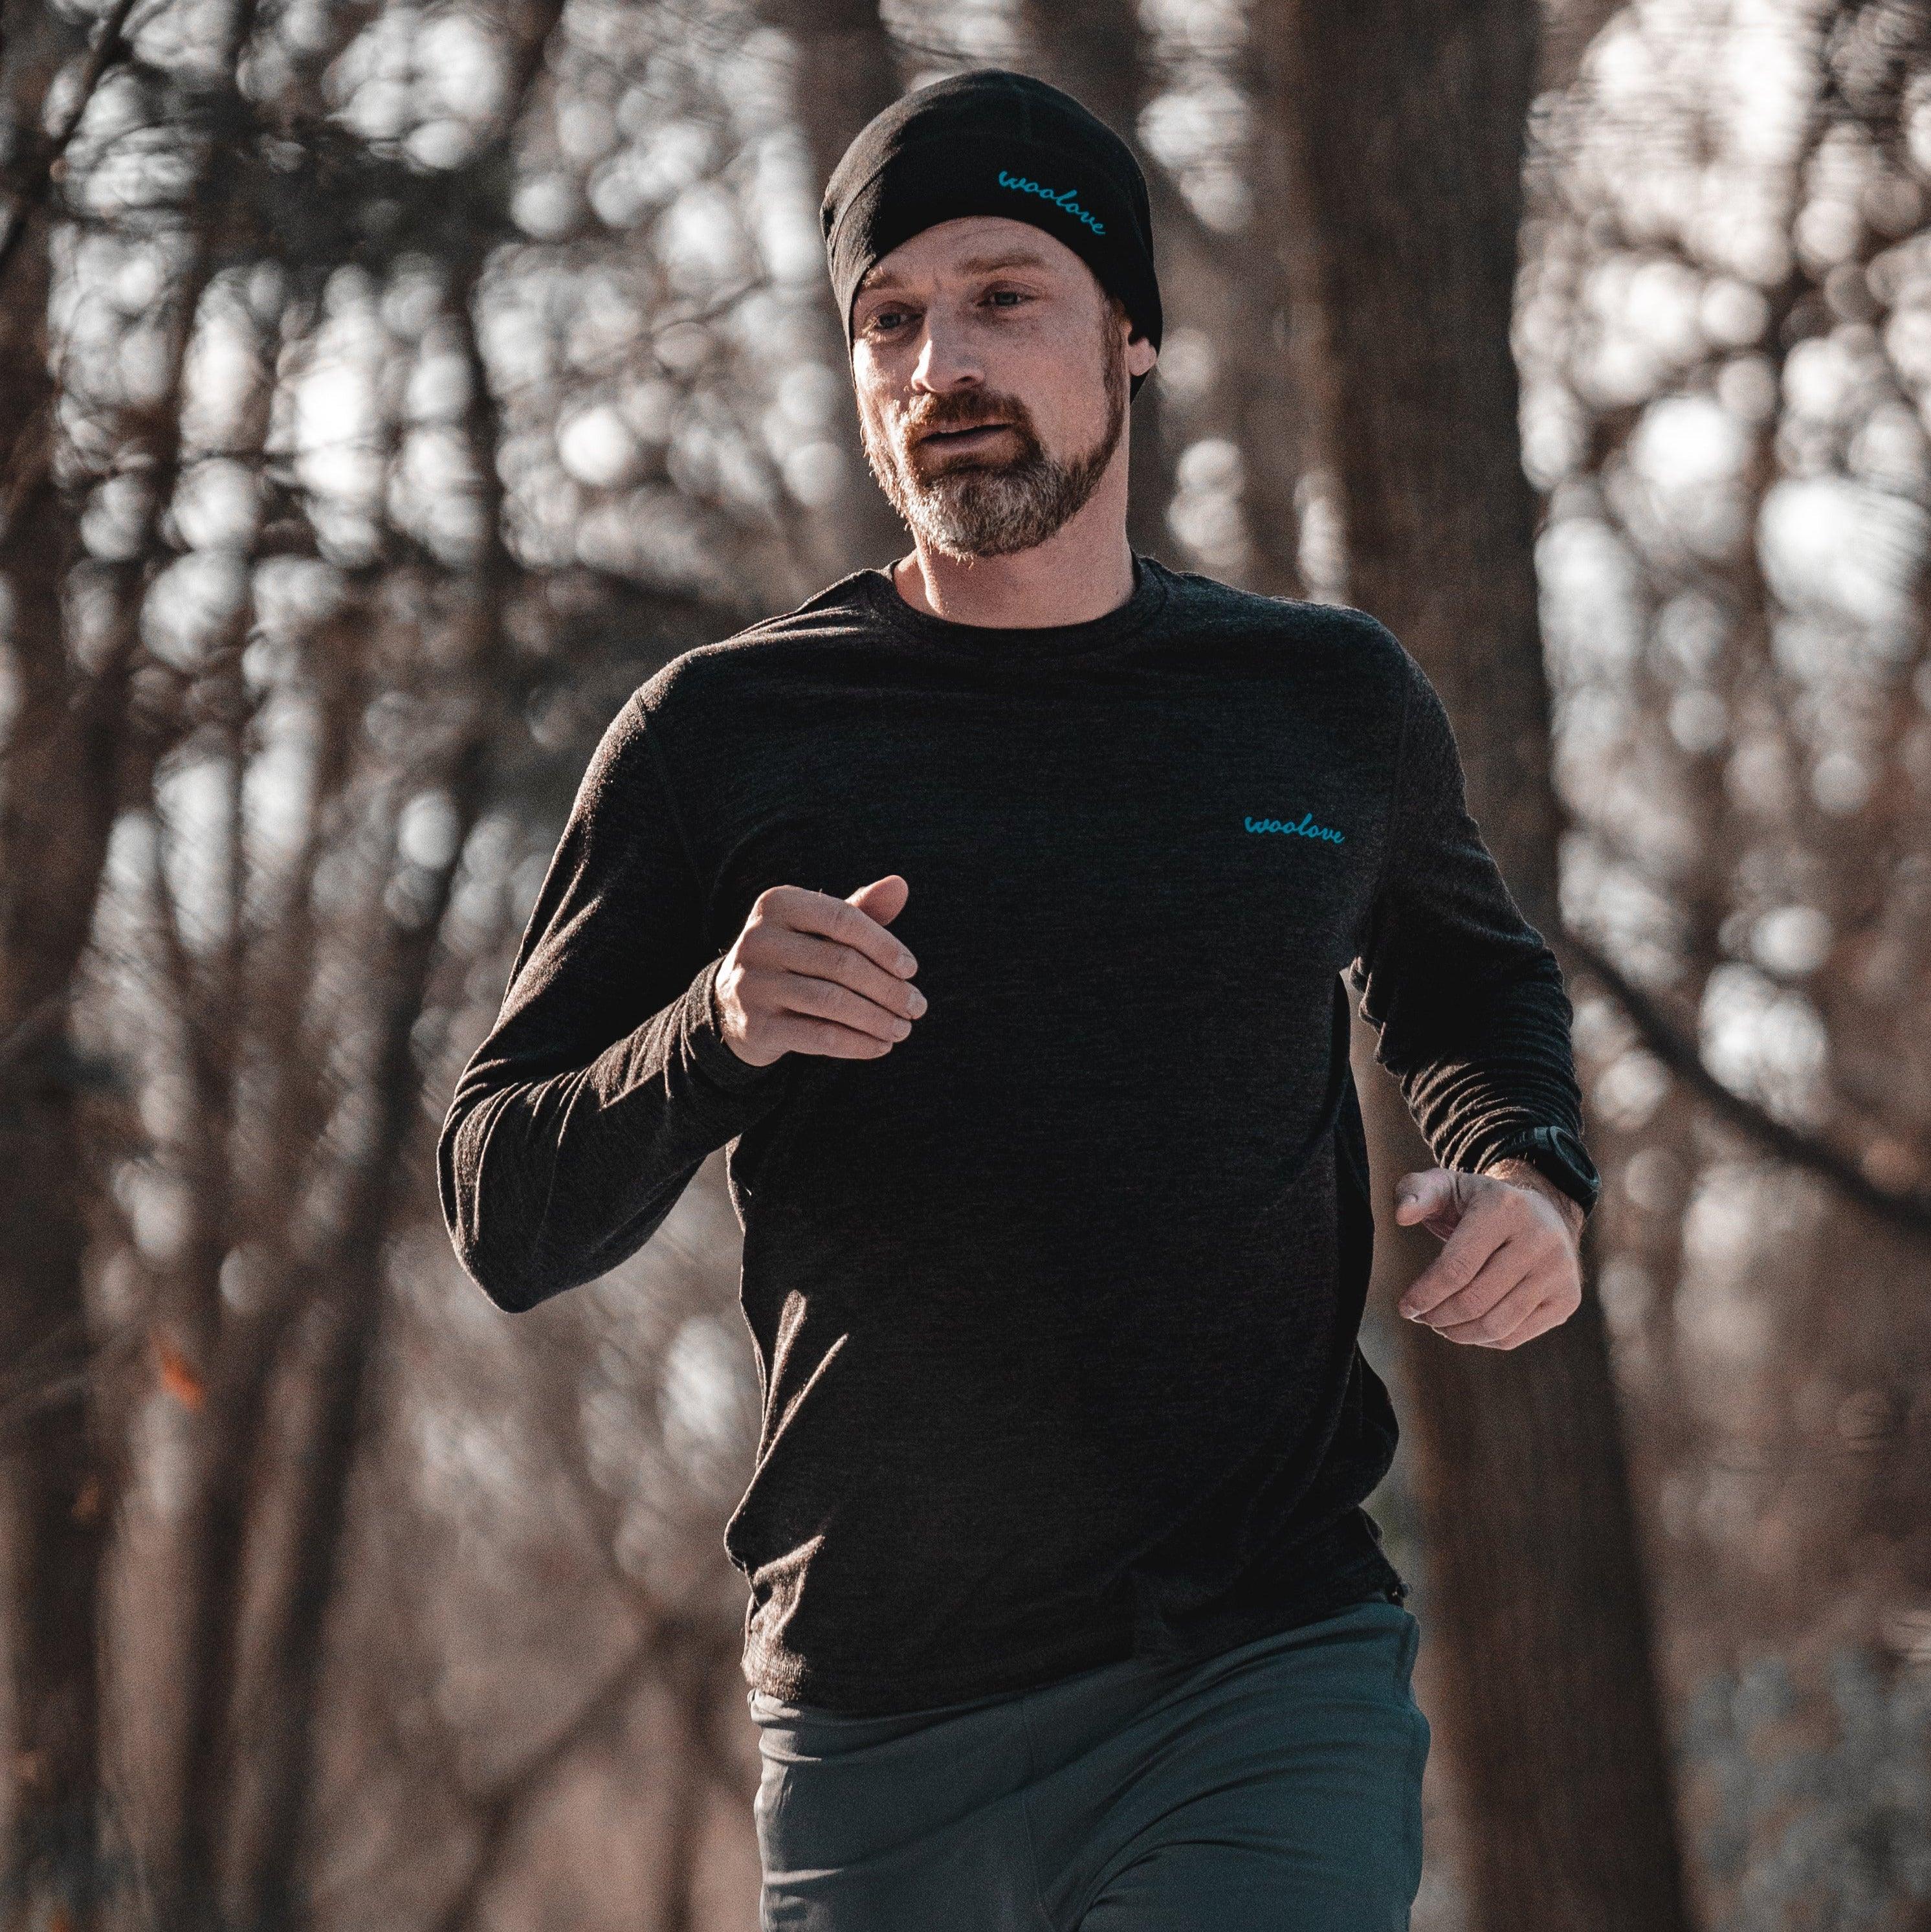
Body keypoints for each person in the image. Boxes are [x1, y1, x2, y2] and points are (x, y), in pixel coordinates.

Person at [437, 66, 1602, 1932]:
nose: (938, 361)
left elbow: (1472, 980)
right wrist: (712, 1031)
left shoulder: (1317, 702)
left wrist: (1528, 1170)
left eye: (1003, 295)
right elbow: (502, 1197)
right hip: (882, 1729)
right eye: (888, 318)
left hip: (1260, 1661)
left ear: (1129, 335)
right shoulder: (722, 737)